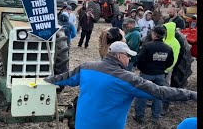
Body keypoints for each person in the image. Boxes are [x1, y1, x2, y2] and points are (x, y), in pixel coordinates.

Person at [44, 41, 197, 129]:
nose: (129, 60)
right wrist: (190, 94)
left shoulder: (86, 67)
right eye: (128, 56)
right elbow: (160, 92)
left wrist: (44, 81)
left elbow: (62, 79)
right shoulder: (128, 79)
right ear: (118, 56)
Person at [134, 26, 174, 124]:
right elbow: (170, 62)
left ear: (155, 34)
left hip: (146, 74)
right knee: (158, 96)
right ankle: (155, 118)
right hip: (160, 75)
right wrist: (161, 68)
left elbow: (139, 59)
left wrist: (142, 68)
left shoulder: (147, 46)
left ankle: (140, 116)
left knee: (142, 95)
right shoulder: (168, 48)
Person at [162, 22, 181, 116]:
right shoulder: (163, 39)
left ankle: (165, 108)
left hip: (167, 70)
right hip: (160, 69)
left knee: (166, 88)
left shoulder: (175, 43)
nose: (164, 31)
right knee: (158, 87)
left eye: (166, 30)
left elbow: (174, 59)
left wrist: (167, 69)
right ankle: (157, 103)